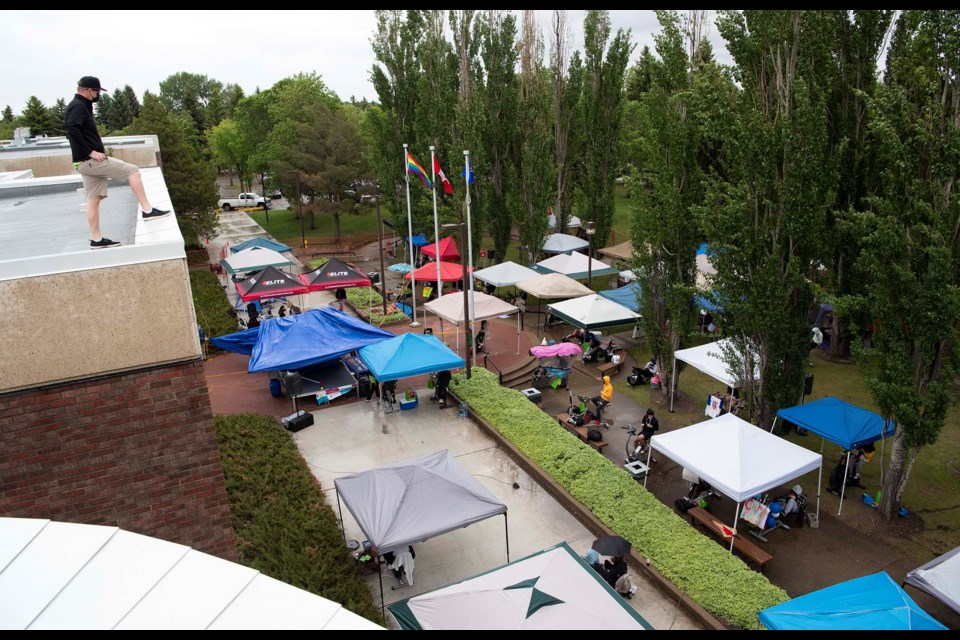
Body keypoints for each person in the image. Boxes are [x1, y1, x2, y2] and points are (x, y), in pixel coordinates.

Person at [65, 76, 170, 249]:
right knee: (133, 171)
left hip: (82, 163)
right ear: (88, 90)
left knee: (93, 198)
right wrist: (90, 152)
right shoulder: (78, 106)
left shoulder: (79, 105)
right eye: (97, 91)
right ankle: (148, 211)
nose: (98, 95)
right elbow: (72, 129)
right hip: (90, 161)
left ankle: (96, 240)